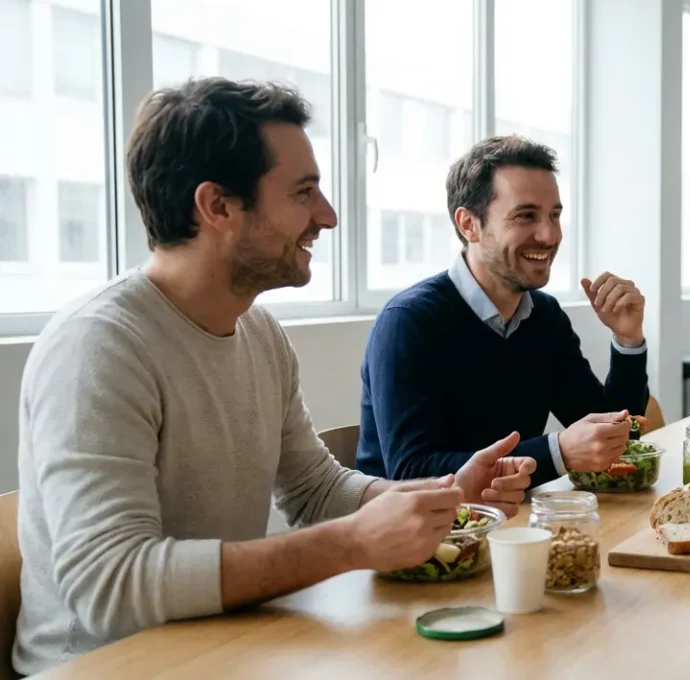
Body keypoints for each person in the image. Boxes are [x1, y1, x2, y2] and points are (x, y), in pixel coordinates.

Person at [13, 78, 535, 675]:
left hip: (220, 648)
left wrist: (443, 496)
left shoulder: (258, 332)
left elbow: (314, 492)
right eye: (304, 192)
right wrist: (350, 543)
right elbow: (110, 591)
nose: (328, 216)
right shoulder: (97, 347)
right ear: (217, 207)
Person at [355, 135, 651, 489]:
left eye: (554, 216)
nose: (549, 235)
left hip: (513, 522)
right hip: (418, 535)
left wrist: (627, 339)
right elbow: (412, 470)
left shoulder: (545, 316)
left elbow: (617, 439)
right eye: (526, 216)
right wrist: (557, 451)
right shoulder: (409, 321)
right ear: (469, 225)